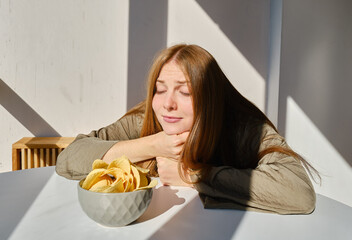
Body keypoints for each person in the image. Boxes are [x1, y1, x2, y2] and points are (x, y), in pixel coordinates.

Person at [56, 44, 318, 214]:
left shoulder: (245, 129)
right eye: (160, 89)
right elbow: (69, 158)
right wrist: (153, 144)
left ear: (210, 99)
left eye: (184, 91)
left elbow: (299, 193)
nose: (167, 104)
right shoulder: (147, 120)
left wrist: (193, 174)